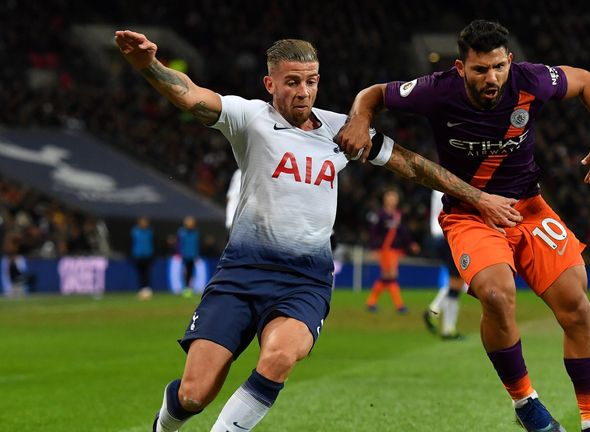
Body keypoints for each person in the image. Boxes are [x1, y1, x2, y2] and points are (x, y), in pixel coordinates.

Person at [114, 29, 521, 432]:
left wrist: (479, 198)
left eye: (311, 81)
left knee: (278, 358)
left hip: (304, 282)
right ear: (270, 83)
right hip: (240, 274)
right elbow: (190, 95)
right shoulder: (250, 118)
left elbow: (412, 165)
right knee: (192, 395)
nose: (303, 91)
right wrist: (149, 65)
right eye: (292, 82)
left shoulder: (341, 131)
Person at [335, 19, 590, 432]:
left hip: (529, 207)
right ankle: (526, 402)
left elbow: (587, 81)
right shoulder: (436, 90)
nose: (492, 78)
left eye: (498, 68)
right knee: (496, 294)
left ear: (509, 61)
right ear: (460, 67)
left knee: (577, 306)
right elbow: (375, 94)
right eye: (480, 70)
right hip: (470, 214)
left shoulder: (533, 80)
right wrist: (360, 116)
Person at [366, 187, 419, 313]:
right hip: (385, 249)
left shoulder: (397, 215)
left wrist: (410, 243)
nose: (392, 200)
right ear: (385, 199)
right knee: (391, 276)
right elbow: (374, 233)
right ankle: (399, 306)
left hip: (394, 249)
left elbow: (403, 232)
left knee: (387, 277)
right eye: (389, 197)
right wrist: (374, 249)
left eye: (394, 197)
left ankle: (372, 302)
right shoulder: (380, 215)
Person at [423, 190, 466, 340]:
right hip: (448, 234)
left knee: (458, 284)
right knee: (458, 283)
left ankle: (448, 330)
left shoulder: (437, 185)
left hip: (442, 235)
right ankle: (433, 311)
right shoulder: (450, 185)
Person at [131, 216, 155, 299]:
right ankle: (142, 289)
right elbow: (132, 243)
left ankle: (147, 290)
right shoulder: (135, 231)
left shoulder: (150, 231)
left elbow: (154, 243)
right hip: (138, 256)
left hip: (148, 256)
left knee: (147, 273)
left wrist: (153, 254)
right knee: (140, 274)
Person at [176, 215, 200, 294]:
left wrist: (196, 254)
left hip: (192, 255)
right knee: (185, 271)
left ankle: (189, 288)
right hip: (184, 255)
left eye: (191, 222)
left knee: (191, 272)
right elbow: (179, 244)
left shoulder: (195, 233)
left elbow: (197, 245)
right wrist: (180, 254)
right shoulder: (181, 232)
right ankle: (185, 287)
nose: (190, 224)